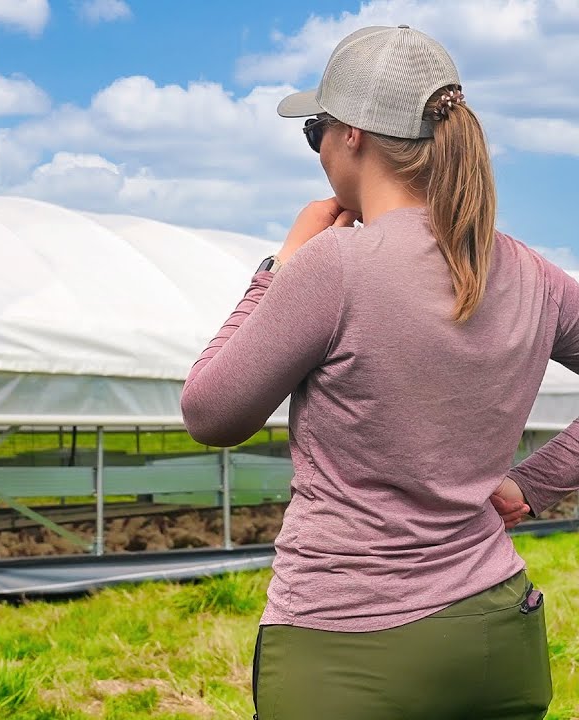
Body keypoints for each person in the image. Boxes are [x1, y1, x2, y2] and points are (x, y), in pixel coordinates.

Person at [180, 25, 572, 720]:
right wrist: (533, 484)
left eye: (314, 132)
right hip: (498, 635)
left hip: (348, 647)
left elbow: (211, 413)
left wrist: (279, 268)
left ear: (351, 134)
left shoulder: (334, 265)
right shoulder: (532, 274)